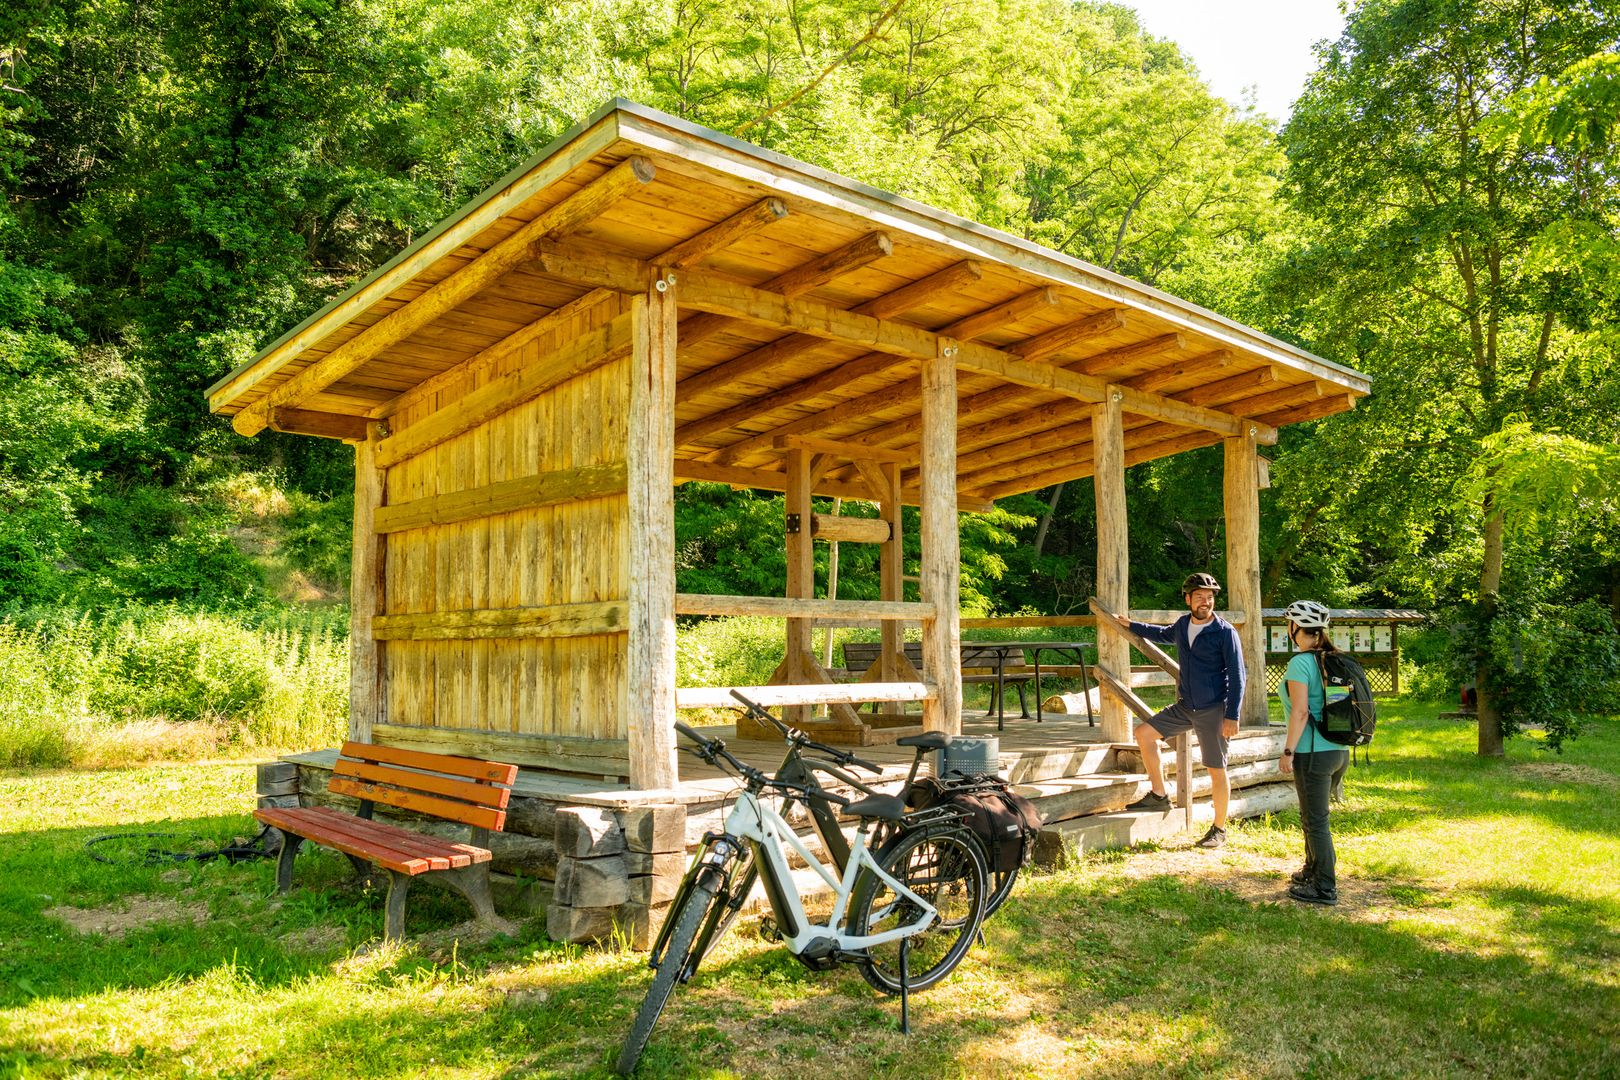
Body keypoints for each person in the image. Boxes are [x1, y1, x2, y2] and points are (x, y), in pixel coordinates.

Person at [1113, 572, 1245, 849]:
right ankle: (1159, 795)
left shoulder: (1225, 632)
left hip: (1213, 709)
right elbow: (1161, 634)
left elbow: (1238, 676)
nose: (1205, 602)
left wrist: (1232, 715)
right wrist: (1131, 625)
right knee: (1144, 734)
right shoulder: (1183, 624)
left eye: (1209, 597)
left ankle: (1219, 829)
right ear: (1188, 599)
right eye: (1199, 597)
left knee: (1216, 769)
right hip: (1186, 706)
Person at [1278, 599, 1349, 906]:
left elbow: (1301, 712)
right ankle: (1312, 869)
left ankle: (1324, 887)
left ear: (1296, 627)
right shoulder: (1333, 659)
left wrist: (1288, 750)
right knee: (1312, 816)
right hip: (1338, 752)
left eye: (1289, 624)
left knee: (1316, 820)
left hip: (1312, 753)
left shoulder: (1301, 663)